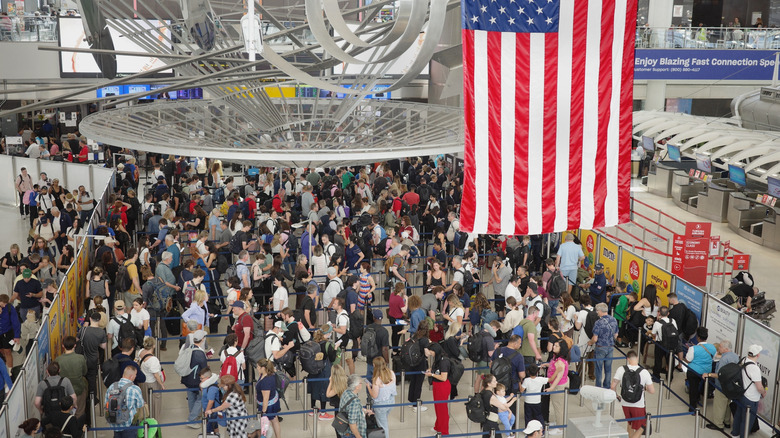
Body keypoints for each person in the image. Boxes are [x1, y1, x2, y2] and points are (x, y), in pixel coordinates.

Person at [611, 350, 655, 438]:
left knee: (630, 423)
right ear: (637, 358)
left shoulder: (621, 369)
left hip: (625, 402)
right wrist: (645, 388)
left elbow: (612, 386)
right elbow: (652, 391)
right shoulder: (644, 372)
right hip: (638, 404)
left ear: (627, 359)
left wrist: (616, 396)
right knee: (642, 426)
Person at [730, 344, 765, 438]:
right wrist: (763, 392)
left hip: (742, 393)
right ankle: (743, 436)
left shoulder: (744, 360)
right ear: (758, 355)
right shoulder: (755, 368)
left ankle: (735, 433)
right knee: (747, 420)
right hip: (751, 398)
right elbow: (759, 387)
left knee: (738, 415)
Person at [705, 340, 738, 431]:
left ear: (725, 349)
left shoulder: (724, 359)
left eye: (720, 347)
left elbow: (719, 374)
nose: (719, 348)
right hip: (731, 386)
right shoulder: (735, 356)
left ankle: (718, 424)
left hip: (721, 385)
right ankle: (727, 422)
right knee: (727, 403)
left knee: (719, 405)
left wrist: (709, 375)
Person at [104, 366, 145, 438]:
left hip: (114, 422)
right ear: (132, 376)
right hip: (129, 424)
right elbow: (140, 405)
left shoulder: (112, 386)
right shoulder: (135, 388)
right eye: (135, 375)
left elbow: (106, 404)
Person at [54, 336, 88, 418]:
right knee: (80, 411)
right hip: (79, 389)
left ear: (63, 346)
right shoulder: (80, 358)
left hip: (64, 392)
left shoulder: (58, 360)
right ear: (75, 345)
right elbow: (84, 372)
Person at [181, 329, 209, 426]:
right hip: (196, 380)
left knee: (191, 397)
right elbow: (204, 369)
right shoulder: (200, 353)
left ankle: (193, 417)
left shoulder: (189, 348)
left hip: (187, 378)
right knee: (201, 398)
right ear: (202, 339)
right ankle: (191, 419)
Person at [684, 327, 715, 412]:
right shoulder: (712, 347)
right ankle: (699, 398)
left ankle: (692, 408)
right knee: (701, 386)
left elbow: (688, 359)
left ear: (698, 337)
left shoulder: (693, 348)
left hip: (694, 371)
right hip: (707, 372)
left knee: (693, 389)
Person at [588, 303, 618, 388]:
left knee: (598, 368)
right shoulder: (614, 320)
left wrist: (590, 342)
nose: (597, 313)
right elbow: (616, 335)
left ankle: (598, 386)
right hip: (611, 347)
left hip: (600, 348)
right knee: (608, 369)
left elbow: (595, 339)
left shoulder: (598, 322)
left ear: (601, 311)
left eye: (597, 311)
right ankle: (607, 386)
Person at [366, 357, 396, 438]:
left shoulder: (376, 379)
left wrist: (369, 387)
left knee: (383, 426)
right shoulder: (391, 373)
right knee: (384, 420)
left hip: (381, 405)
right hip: (391, 401)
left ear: (375, 365)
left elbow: (374, 395)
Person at [425, 342, 451, 435]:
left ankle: (444, 431)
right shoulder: (438, 359)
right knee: (438, 408)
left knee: (442, 409)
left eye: (431, 351)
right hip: (437, 385)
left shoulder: (444, 361)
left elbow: (443, 377)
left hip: (442, 386)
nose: (430, 353)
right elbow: (437, 370)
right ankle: (438, 426)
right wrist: (431, 370)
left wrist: (432, 374)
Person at [137, 336, 165, 420]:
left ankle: (146, 418)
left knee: (146, 400)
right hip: (152, 383)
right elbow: (156, 375)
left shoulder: (141, 352)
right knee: (155, 402)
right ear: (153, 346)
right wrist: (162, 384)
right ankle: (154, 420)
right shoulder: (153, 360)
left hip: (143, 382)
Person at [256, 358, 282, 438]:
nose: (256, 368)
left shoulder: (265, 382)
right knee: (275, 420)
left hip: (268, 405)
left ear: (263, 368)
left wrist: (263, 412)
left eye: (258, 367)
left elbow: (265, 398)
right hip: (273, 400)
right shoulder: (270, 373)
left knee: (265, 425)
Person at [480, 374, 505, 438]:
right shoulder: (491, 396)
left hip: (486, 420)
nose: (496, 382)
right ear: (489, 384)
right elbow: (503, 408)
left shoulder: (484, 391)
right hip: (491, 422)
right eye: (494, 381)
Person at [0, 294, 21, 368]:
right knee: (2, 351)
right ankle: (5, 365)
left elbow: (16, 323)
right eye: (3, 303)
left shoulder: (10, 308)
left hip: (7, 332)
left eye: (6, 303)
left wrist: (17, 336)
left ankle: (10, 370)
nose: (5, 305)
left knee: (7, 351)